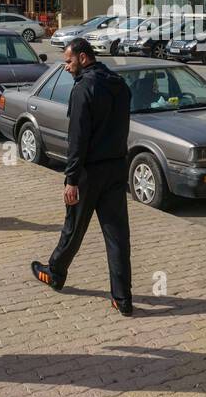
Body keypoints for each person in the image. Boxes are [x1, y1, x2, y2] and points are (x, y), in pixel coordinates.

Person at [31, 37, 134, 315]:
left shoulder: (83, 89)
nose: (66, 66)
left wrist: (71, 179)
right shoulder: (120, 85)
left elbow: (77, 139)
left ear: (84, 58)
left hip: (88, 172)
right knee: (117, 236)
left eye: (68, 61)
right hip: (115, 168)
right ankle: (122, 299)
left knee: (73, 228)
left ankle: (54, 272)